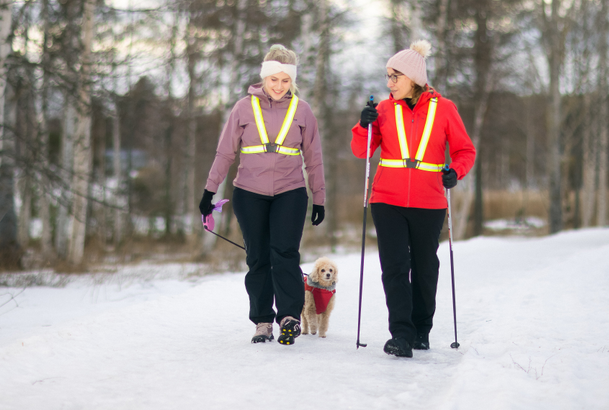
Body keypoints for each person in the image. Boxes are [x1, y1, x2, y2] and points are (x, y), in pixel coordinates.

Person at [350, 40, 475, 357]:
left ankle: (421, 330)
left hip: (429, 200)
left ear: (414, 78)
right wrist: (363, 125)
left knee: (424, 267)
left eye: (395, 76)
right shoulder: (382, 110)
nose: (389, 83)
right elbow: (360, 150)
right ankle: (401, 335)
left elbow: (465, 151)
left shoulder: (444, 109)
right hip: (386, 199)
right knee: (394, 268)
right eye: (388, 76)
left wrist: (455, 172)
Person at [200, 44, 326, 345]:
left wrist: (319, 197)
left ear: (292, 81)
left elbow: (314, 157)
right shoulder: (243, 107)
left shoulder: (303, 110)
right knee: (257, 258)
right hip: (249, 192)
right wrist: (209, 190)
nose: (279, 86)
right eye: (274, 80)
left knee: (284, 253)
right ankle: (262, 321)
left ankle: (289, 318)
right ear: (263, 78)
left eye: (285, 80)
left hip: (290, 191)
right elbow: (224, 152)